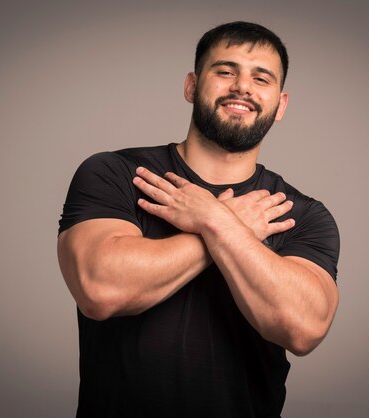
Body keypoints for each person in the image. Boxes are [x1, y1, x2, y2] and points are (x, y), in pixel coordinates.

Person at [57, 21, 340, 418]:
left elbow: (304, 328)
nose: (242, 87)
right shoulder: (117, 173)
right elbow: (101, 288)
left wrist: (213, 219)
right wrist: (225, 224)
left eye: (261, 78)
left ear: (281, 104)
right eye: (225, 72)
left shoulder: (299, 214)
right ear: (192, 86)